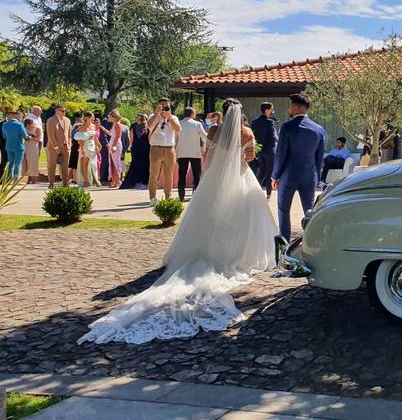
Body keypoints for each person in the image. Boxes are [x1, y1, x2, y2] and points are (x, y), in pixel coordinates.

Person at [79, 100, 277, 344]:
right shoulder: (246, 132)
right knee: (243, 218)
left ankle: (205, 249)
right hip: (239, 177)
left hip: (214, 179)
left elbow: (208, 156)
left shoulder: (214, 129)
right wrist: (237, 160)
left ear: (223, 113)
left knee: (208, 216)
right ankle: (236, 252)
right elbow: (249, 157)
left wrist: (212, 175)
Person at [272, 93, 326, 242]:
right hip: (309, 176)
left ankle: (285, 243)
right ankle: (312, 240)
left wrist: (275, 175)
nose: (289, 108)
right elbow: (319, 158)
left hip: (288, 177)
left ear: (295, 108)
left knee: (283, 211)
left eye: (290, 106)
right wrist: (317, 177)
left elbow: (280, 154)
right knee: (309, 212)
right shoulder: (319, 130)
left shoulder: (287, 127)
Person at [147, 98, 182, 205]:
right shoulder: (153, 116)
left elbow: (178, 129)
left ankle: (168, 197)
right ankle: (152, 198)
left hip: (169, 149)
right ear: (158, 106)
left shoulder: (173, 117)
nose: (165, 108)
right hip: (156, 148)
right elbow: (149, 125)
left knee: (169, 176)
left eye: (167, 106)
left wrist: (169, 118)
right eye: (162, 105)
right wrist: (158, 113)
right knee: (153, 175)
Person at [174, 107, 207, 201]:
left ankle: (181, 195)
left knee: (182, 174)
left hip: (181, 152)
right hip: (195, 152)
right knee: (197, 174)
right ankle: (196, 196)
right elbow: (204, 137)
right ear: (192, 114)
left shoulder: (178, 123)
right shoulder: (197, 124)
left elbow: (175, 139)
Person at [250, 103, 278, 197]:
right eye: (271, 110)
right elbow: (272, 137)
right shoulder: (269, 122)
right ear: (267, 110)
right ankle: (269, 194)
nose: (272, 112)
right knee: (270, 171)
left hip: (259, 150)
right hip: (269, 150)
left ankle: (255, 191)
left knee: (262, 171)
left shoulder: (254, 122)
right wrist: (274, 144)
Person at [120, 114, 151, 189]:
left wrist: (130, 148)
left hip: (136, 148)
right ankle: (144, 182)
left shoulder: (133, 128)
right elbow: (150, 140)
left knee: (135, 165)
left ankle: (134, 182)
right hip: (145, 149)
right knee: (145, 165)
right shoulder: (148, 129)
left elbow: (131, 140)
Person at [45, 105, 71, 188]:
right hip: (53, 147)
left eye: (64, 110)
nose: (64, 112)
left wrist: (69, 144)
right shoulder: (51, 120)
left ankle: (65, 183)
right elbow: (50, 135)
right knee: (52, 166)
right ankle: (51, 183)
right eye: (62, 110)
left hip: (65, 146)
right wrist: (56, 147)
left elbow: (69, 134)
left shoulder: (67, 120)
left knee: (65, 166)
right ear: (56, 111)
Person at [75, 112, 101, 188]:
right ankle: (86, 181)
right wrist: (82, 149)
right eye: (92, 117)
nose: (93, 118)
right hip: (85, 146)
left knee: (93, 164)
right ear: (87, 118)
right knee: (85, 164)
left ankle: (94, 179)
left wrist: (98, 144)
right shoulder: (82, 127)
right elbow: (80, 140)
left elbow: (95, 136)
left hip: (92, 146)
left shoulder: (93, 126)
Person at [2, 111, 28, 180]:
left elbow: (4, 136)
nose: (21, 118)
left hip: (9, 146)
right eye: (20, 116)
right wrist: (29, 137)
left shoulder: (4, 124)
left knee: (11, 163)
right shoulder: (19, 124)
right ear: (17, 116)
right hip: (18, 146)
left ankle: (8, 178)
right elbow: (25, 136)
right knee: (17, 163)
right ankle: (15, 180)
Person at [104, 110, 125, 188]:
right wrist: (101, 127)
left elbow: (117, 136)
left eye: (109, 116)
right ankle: (114, 181)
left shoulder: (117, 125)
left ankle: (118, 181)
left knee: (116, 163)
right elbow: (110, 133)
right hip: (112, 144)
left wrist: (114, 146)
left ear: (113, 117)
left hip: (116, 145)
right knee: (112, 163)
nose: (108, 118)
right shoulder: (114, 124)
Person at [22, 112, 42, 183]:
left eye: (29, 124)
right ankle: (28, 178)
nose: (28, 126)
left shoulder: (37, 129)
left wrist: (30, 137)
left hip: (34, 147)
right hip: (26, 147)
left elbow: (38, 139)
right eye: (27, 125)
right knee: (26, 163)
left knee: (33, 163)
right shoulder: (25, 129)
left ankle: (34, 178)